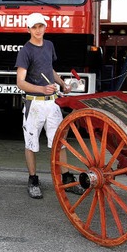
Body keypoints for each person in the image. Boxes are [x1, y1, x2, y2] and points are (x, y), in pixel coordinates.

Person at [15, 12, 84, 199]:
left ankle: (66, 179)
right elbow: (20, 82)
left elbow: (49, 70)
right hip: (34, 104)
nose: (38, 30)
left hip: (52, 103)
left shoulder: (49, 45)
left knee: (59, 142)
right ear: (28, 29)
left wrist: (62, 84)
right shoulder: (26, 51)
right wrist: (40, 88)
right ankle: (33, 179)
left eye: (41, 26)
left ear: (45, 27)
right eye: (34, 27)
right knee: (31, 144)